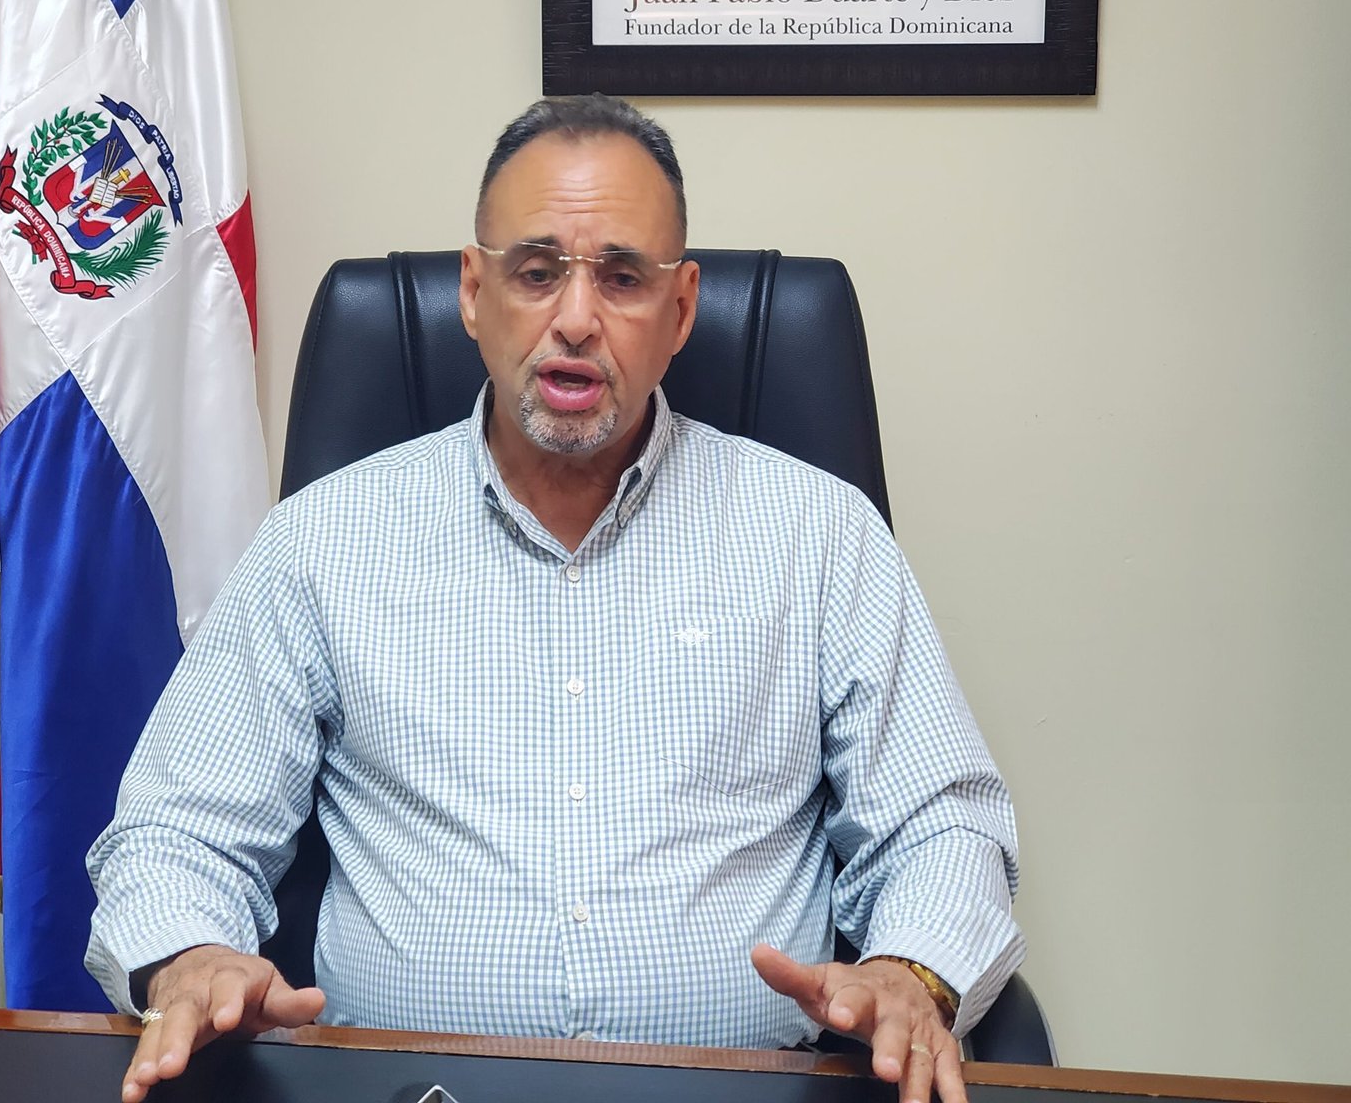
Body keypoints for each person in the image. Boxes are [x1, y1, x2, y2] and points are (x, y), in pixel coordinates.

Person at [87, 95, 1023, 1103]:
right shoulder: (324, 539)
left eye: (622, 278)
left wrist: (909, 972)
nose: (575, 319)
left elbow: (939, 824)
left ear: (682, 308)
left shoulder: (818, 534)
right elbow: (180, 830)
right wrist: (190, 955)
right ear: (473, 291)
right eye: (536, 272)